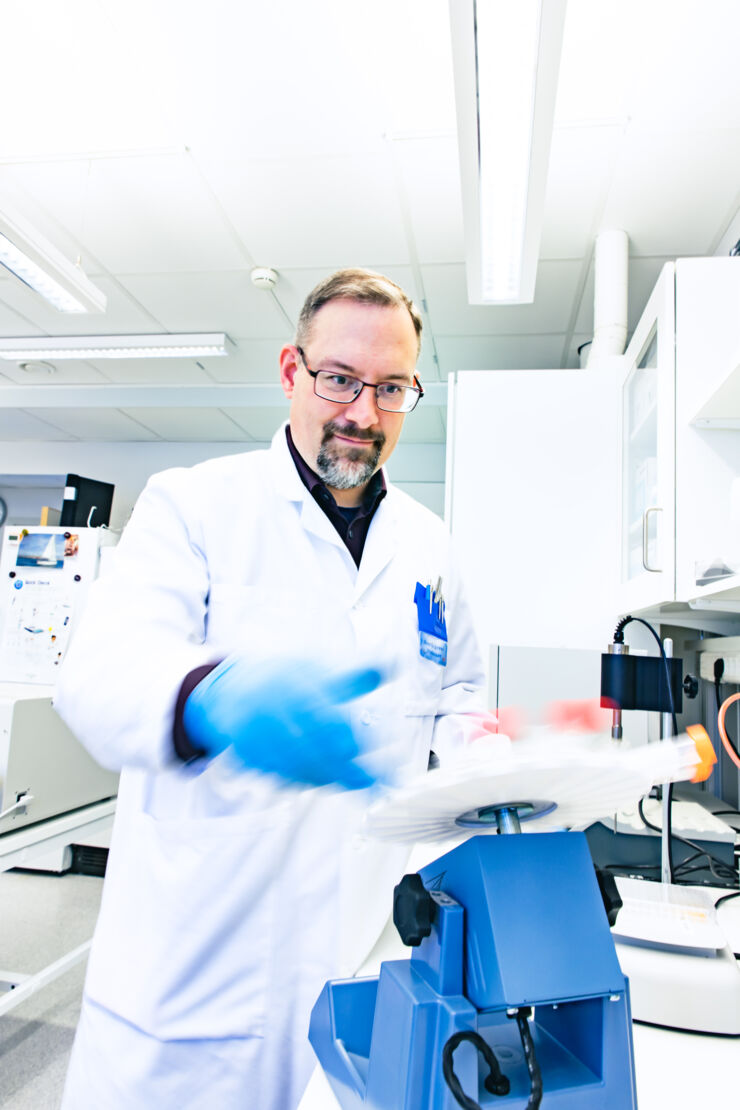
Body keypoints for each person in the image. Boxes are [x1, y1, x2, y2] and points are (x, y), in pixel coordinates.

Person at [54, 268, 486, 1110]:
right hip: (194, 978)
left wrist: (501, 768)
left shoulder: (429, 545)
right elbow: (99, 669)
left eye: (391, 388)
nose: (363, 411)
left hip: (360, 963)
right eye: (339, 380)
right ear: (292, 372)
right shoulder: (195, 505)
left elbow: (461, 696)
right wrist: (208, 697)